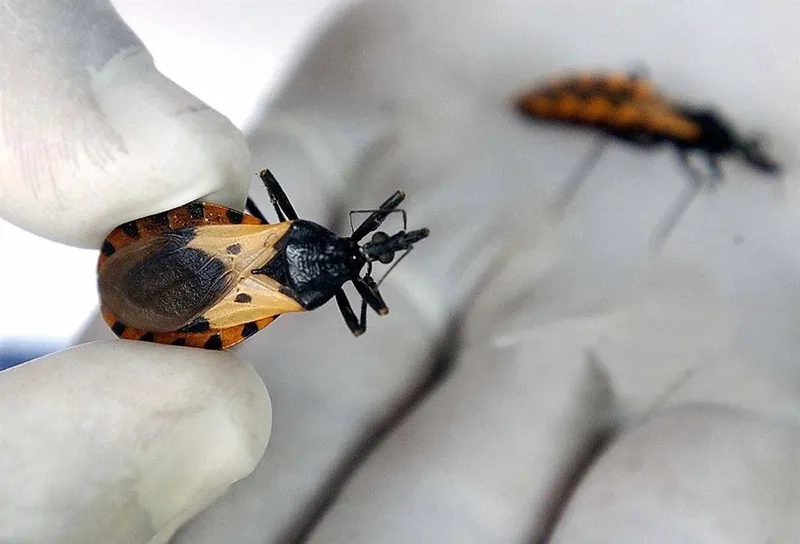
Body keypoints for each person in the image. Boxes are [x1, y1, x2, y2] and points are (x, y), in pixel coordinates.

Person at [3, 1, 800, 543]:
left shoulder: (305, 251)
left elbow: (341, 273)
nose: (366, 254)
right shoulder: (320, 276)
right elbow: (355, 296)